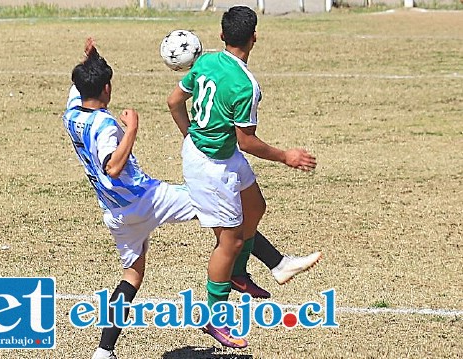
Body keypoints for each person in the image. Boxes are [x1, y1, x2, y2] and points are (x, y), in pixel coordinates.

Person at [64, 39, 321, 357]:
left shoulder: (72, 113)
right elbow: (113, 166)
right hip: (148, 198)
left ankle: (104, 351)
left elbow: (79, 86)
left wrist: (90, 59)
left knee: (132, 275)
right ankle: (265, 269)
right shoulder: (106, 126)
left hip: (116, 213)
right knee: (228, 212)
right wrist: (131, 129)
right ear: (107, 89)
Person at [167, 5, 319, 348]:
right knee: (230, 241)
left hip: (216, 154)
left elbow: (174, 101)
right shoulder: (246, 86)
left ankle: (244, 272)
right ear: (254, 38)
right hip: (212, 165)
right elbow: (245, 140)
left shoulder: (204, 61)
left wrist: (191, 135)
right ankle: (214, 319)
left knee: (255, 207)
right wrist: (286, 156)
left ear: (222, 35)